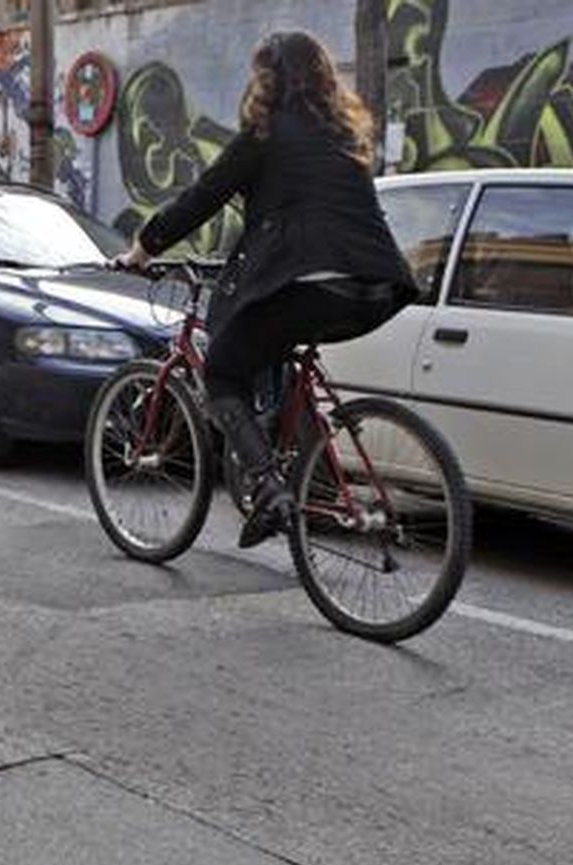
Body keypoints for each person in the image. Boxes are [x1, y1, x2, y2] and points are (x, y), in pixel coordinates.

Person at [116, 30, 419, 548]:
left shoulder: (265, 134)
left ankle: (268, 487)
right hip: (375, 286)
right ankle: (301, 468)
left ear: (267, 79)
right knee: (273, 343)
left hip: (307, 281)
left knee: (222, 370)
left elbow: (202, 197)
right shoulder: (345, 138)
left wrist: (142, 250)